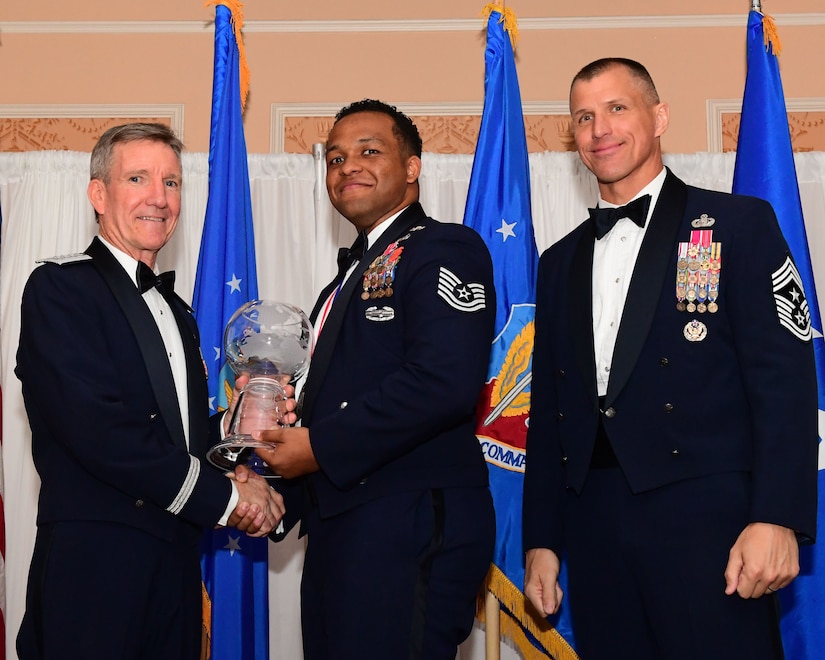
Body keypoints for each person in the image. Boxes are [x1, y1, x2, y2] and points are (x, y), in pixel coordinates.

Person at [522, 58, 818, 659]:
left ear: (658, 118)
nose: (599, 128)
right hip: (594, 526)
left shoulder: (738, 224)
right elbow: (551, 410)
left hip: (711, 523)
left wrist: (777, 517)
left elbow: (784, 383)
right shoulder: (558, 261)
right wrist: (542, 541)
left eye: (616, 108)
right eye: (583, 116)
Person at [15, 122, 285, 660]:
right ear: (99, 194)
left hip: (175, 568)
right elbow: (101, 431)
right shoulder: (61, 288)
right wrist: (232, 498)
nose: (159, 199)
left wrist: (241, 430)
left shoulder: (178, 312)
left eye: (172, 182)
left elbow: (174, 434)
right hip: (95, 571)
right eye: (138, 178)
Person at [255, 99, 497, 659]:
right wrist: (273, 496)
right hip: (345, 527)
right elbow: (326, 405)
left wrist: (316, 447)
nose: (348, 166)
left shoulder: (444, 247)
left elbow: (443, 380)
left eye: (369, 151)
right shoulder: (341, 283)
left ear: (412, 167)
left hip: (408, 521)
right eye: (335, 158)